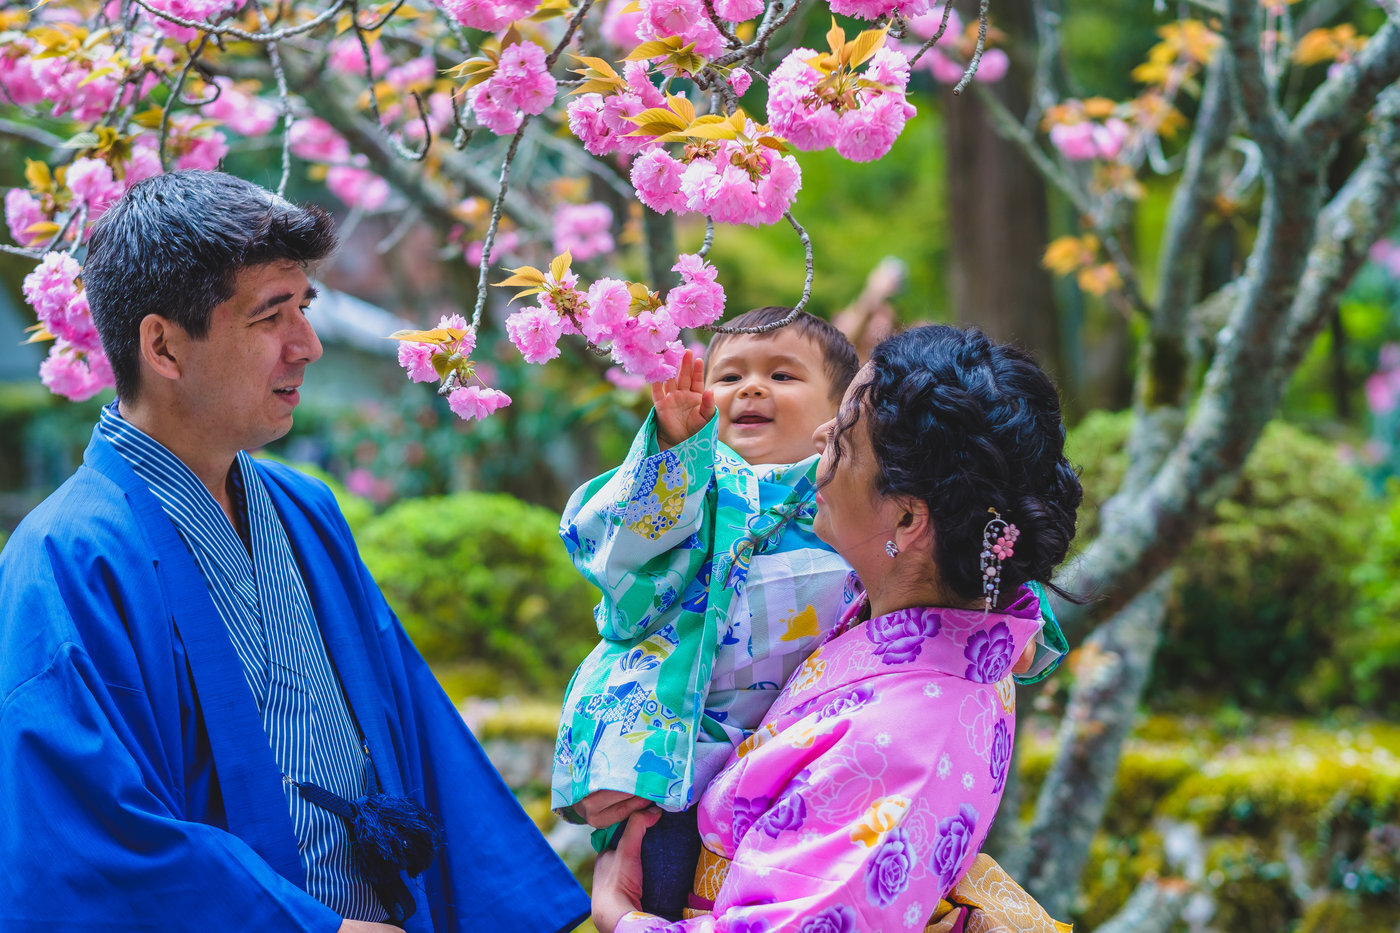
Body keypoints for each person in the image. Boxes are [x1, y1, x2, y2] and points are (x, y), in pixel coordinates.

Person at [0, 171, 589, 933]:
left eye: (303, 309)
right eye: (271, 316)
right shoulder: (68, 556)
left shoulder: (303, 508)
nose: (306, 345)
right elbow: (87, 837)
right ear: (164, 346)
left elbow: (412, 727)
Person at [589, 324, 1084, 931]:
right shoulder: (939, 613)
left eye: (845, 440)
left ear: (906, 518)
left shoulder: (899, 745)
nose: (821, 434)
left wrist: (620, 918)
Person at [553, 308, 862, 917]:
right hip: (667, 762)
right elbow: (617, 565)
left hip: (792, 766)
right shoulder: (690, 485)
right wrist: (673, 452)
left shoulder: (854, 500)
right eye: (729, 377)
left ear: (841, 410)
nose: (751, 389)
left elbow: (926, 565)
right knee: (661, 895)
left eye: (782, 374)